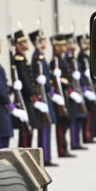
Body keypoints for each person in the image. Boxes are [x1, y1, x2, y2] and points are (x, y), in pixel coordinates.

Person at [30, 29, 58, 165]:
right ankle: (44, 158)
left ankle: (47, 157)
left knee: (47, 128)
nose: (45, 42)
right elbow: (36, 79)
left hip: (46, 96)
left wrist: (52, 92)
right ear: (38, 42)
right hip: (42, 98)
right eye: (43, 40)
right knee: (44, 128)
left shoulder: (40, 56)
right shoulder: (36, 57)